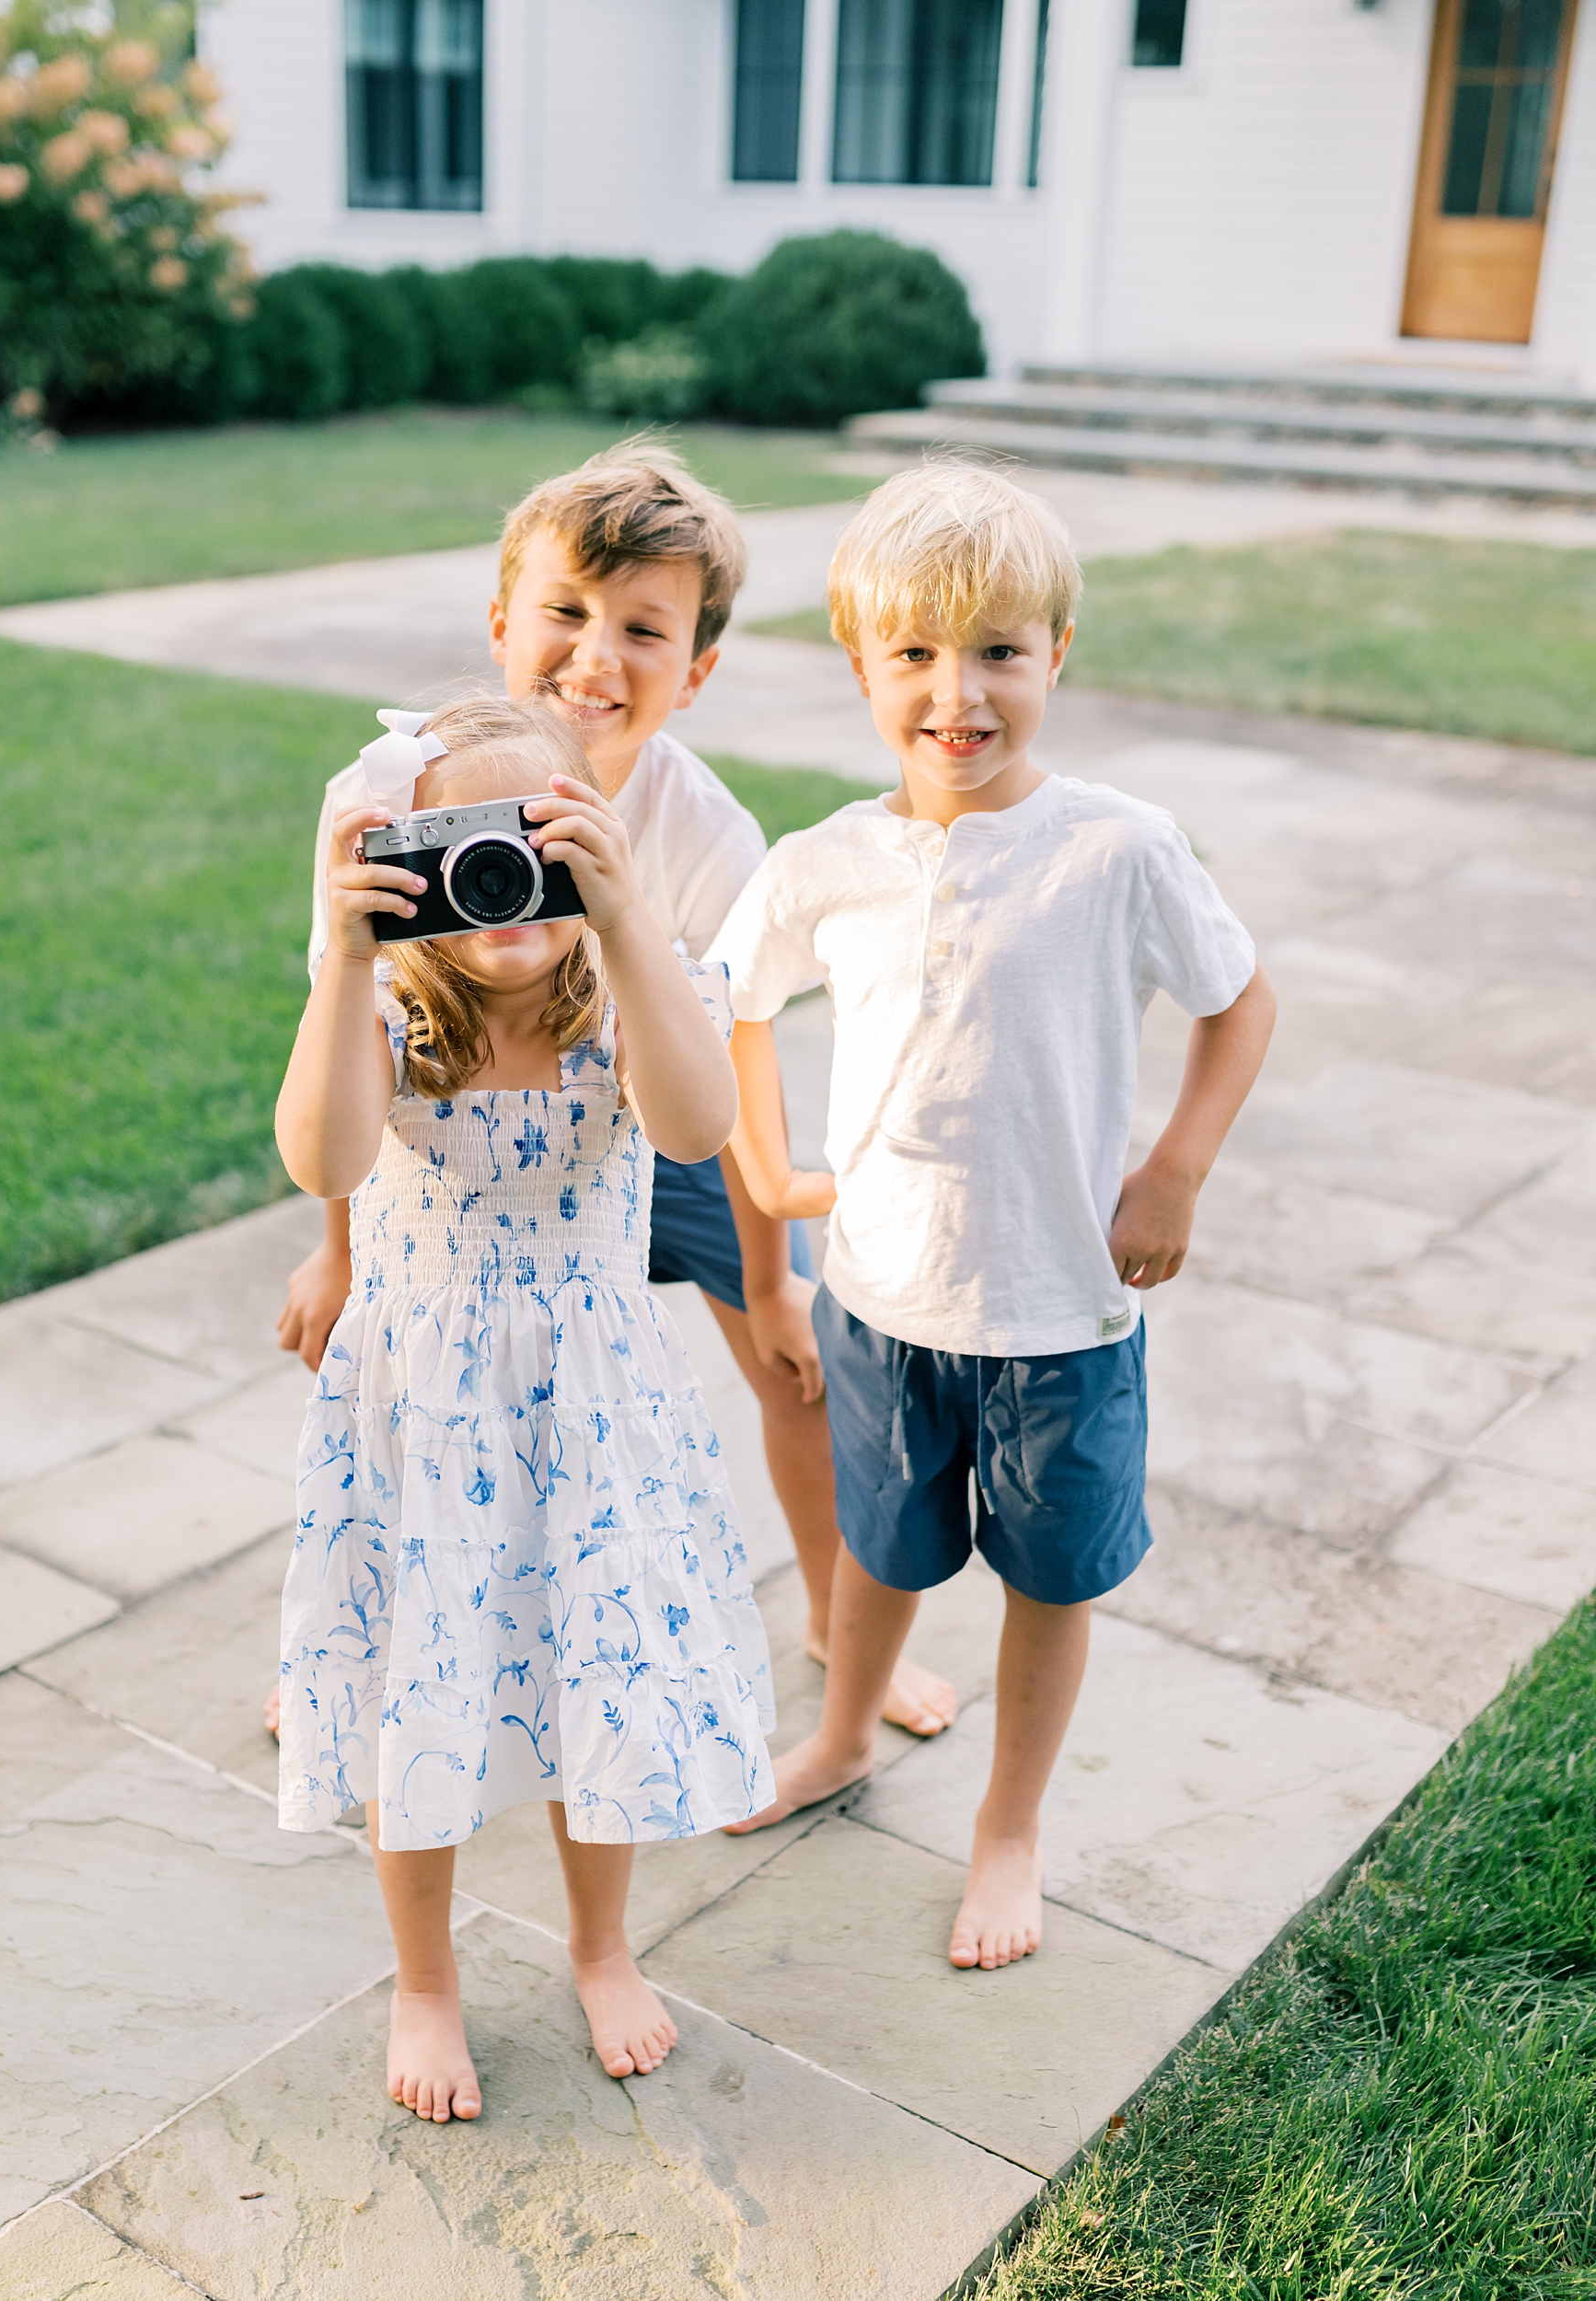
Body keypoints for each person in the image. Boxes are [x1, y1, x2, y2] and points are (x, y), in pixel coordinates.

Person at [272, 445, 957, 1740]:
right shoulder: (386, 802)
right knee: (383, 1367)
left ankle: (826, 1610)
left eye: (644, 629)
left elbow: (733, 1060)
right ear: (500, 627)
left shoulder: (705, 835)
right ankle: (354, 1645)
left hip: (651, 1107)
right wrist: (336, 1253)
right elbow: (354, 1033)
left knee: (797, 1367)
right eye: (567, 612)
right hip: (458, 1128)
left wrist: (771, 1281)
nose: (597, 654)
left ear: (694, 671)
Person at [708, 460, 1276, 1976]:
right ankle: (838, 1737)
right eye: (915, 656)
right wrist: (765, 1171)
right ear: (860, 666)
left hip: (1060, 1317)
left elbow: (1240, 1003)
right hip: (885, 1298)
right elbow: (736, 1002)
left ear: (1056, 656)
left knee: (1048, 1582)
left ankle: (1010, 1831)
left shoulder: (1118, 846)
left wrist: (1175, 1172)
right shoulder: (823, 862)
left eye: (999, 654)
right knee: (879, 1559)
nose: (957, 694)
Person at [276, 695, 773, 2122]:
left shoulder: (631, 986)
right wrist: (337, 953)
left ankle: (602, 1943)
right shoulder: (381, 1004)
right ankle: (423, 1977)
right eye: (462, 852)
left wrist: (626, 926)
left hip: (592, 1418)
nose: (507, 885)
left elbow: (695, 1128)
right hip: (423, 1419)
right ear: (407, 869)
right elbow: (321, 1152)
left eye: (542, 842)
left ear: (597, 842)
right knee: (411, 1691)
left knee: (592, 1678)